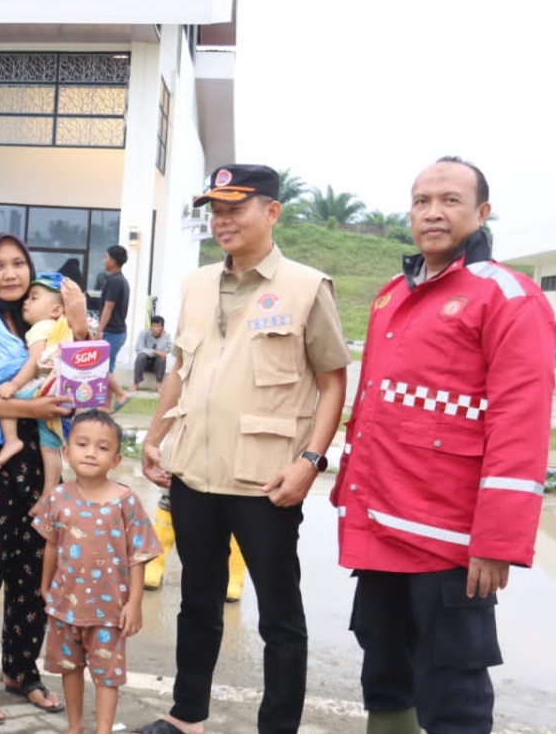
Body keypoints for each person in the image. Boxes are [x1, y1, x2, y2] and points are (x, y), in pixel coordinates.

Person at [333, 157, 556, 734]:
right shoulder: (389, 294)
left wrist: (498, 540)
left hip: (451, 538)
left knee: (453, 686)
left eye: (450, 200)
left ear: (481, 212)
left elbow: (520, 424)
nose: (432, 212)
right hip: (381, 521)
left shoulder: (509, 297)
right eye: (421, 200)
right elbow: (377, 413)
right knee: (382, 668)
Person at [135, 164, 350, 734]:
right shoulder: (196, 285)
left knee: (280, 618)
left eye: (236, 207)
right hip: (194, 472)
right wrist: (154, 438)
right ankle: (186, 718)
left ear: (272, 211)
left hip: (267, 481)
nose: (222, 220)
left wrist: (311, 461)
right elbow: (182, 366)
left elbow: (333, 381)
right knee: (197, 604)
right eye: (216, 209)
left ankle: (277, 727)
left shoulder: (306, 287)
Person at [0, 231, 90, 725]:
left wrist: (79, 324)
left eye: (19, 264)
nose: (10, 274)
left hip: (43, 463)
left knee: (32, 577)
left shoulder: (50, 322)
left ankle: (21, 673)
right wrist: (28, 406)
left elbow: (85, 389)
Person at [34, 410, 161, 734]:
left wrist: (134, 603)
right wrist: (45, 586)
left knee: (107, 675)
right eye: (82, 444)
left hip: (109, 612)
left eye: (103, 448)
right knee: (69, 668)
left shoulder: (125, 501)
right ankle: (75, 726)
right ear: (66, 452)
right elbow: (51, 544)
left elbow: (139, 555)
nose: (91, 452)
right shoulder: (58, 497)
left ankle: (103, 729)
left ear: (117, 459)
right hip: (65, 607)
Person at [0, 273, 73, 493]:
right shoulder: (63, 329)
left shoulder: (41, 328)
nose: (26, 302)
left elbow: (33, 362)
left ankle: (11, 440)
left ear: (56, 310)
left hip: (43, 388)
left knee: (4, 401)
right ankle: (48, 494)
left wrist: (14, 385)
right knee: (50, 447)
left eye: (34, 298)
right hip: (61, 391)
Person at [98, 245, 131, 410]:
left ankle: (121, 394)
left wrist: (99, 330)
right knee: (107, 369)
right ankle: (106, 406)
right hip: (118, 331)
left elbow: (108, 307)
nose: (104, 260)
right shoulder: (121, 280)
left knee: (102, 369)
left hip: (112, 331)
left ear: (112, 260)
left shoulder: (114, 281)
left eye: (106, 257)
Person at [131, 317, 172, 392]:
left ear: (162, 328)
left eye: (158, 326)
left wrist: (162, 338)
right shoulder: (143, 333)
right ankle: (136, 384)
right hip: (145, 362)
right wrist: (155, 352)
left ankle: (159, 385)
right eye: (154, 326)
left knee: (162, 358)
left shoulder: (166, 336)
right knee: (141, 356)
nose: (155, 329)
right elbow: (139, 349)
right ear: (150, 326)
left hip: (157, 364)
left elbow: (164, 352)